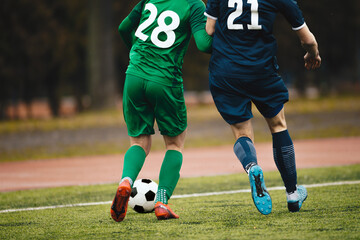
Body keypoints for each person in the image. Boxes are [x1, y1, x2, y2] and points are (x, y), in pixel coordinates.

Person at [204, 0, 321, 215]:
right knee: (278, 126)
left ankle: (252, 167)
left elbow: (209, 30)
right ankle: (292, 195)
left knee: (241, 132)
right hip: (261, 70)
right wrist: (312, 53)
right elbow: (307, 38)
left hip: (226, 71)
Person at [111, 0, 212, 222]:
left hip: (134, 75)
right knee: (174, 144)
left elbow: (123, 28)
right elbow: (204, 45)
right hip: (165, 81)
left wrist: (137, 53)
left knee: (139, 142)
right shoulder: (194, 4)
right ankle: (162, 202)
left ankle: (125, 181)